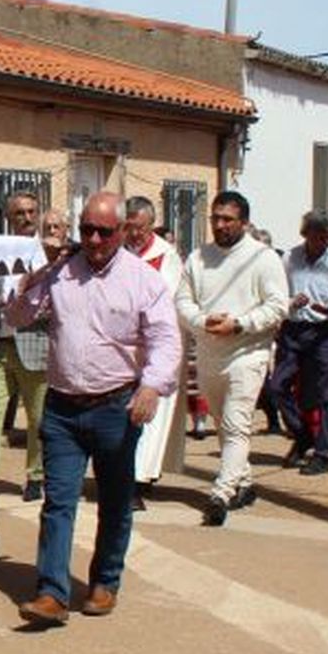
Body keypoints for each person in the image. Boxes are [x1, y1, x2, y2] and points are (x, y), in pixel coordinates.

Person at [5, 192, 180, 626]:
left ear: (122, 231)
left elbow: (165, 340)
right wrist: (40, 272)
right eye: (87, 230)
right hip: (62, 407)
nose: (95, 239)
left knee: (116, 501)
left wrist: (152, 387)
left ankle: (105, 581)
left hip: (116, 407)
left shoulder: (144, 280)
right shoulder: (60, 272)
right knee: (58, 501)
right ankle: (51, 593)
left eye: (104, 231)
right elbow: (18, 315)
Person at [175, 191, 289, 526]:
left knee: (237, 423)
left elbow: (277, 306)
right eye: (215, 218)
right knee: (223, 424)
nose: (220, 225)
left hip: (248, 352)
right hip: (210, 353)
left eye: (227, 219)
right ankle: (244, 482)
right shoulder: (198, 258)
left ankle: (220, 494)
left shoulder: (263, 259)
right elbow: (182, 301)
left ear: (244, 222)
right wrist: (202, 321)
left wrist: (239, 324)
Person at [272, 210, 328, 475]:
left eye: (326, 238)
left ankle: (322, 452)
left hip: (324, 331)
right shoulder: (290, 259)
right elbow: (277, 295)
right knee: (277, 385)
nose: (322, 243)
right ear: (305, 235)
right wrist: (290, 303)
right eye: (316, 237)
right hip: (294, 329)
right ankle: (302, 434)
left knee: (326, 393)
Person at [122, 196, 185, 512]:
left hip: (155, 346)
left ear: (151, 225)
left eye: (140, 228)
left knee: (148, 417)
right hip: (124, 348)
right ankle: (128, 477)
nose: (134, 235)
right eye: (129, 227)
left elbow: (167, 298)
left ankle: (138, 480)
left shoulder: (166, 256)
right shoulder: (117, 251)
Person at [0, 191, 49, 503]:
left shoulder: (46, 253)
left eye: (31, 212)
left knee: (38, 417)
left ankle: (35, 476)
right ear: (8, 218)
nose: (26, 218)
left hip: (34, 342)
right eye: (19, 214)